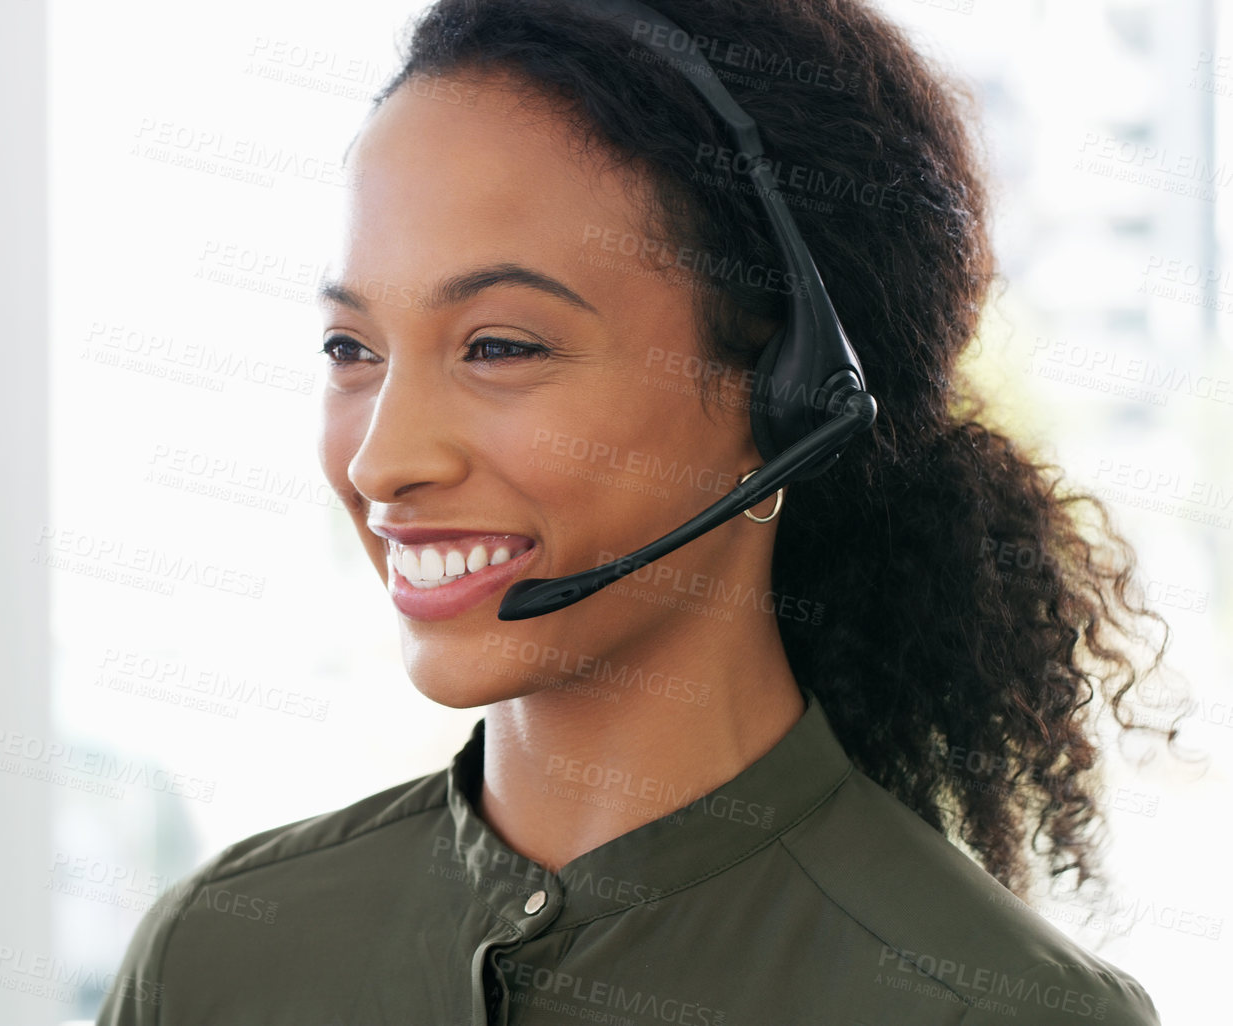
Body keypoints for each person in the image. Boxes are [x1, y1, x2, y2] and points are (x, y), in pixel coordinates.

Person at [98, 1, 1181, 1022]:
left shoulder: (994, 1011)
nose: (385, 458)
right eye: (352, 350)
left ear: (785, 395)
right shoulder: (215, 959)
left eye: (500, 347)